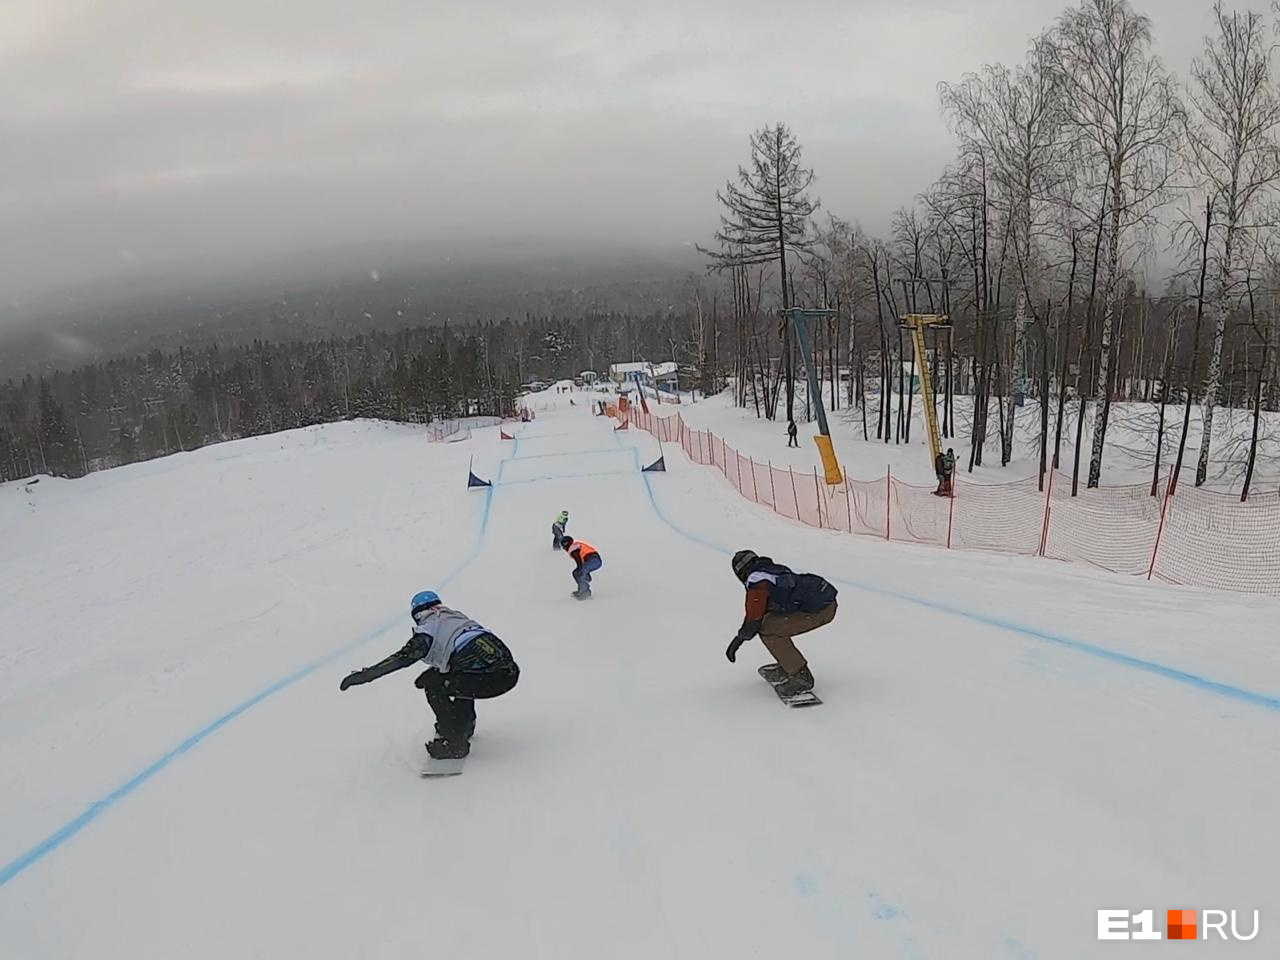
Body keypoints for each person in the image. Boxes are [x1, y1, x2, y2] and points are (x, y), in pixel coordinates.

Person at [339, 590, 519, 759]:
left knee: (434, 686)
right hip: (509, 673)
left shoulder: (428, 627)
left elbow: (404, 658)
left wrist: (366, 675)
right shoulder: (455, 617)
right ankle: (464, 725)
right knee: (454, 678)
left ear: (417, 614)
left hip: (490, 680)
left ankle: (454, 742)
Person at [724, 550, 838, 698]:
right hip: (822, 601)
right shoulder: (770, 570)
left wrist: (737, 641)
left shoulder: (757, 582)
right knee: (769, 622)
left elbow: (754, 620)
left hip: (820, 609)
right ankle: (788, 664)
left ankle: (800, 676)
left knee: (767, 629)